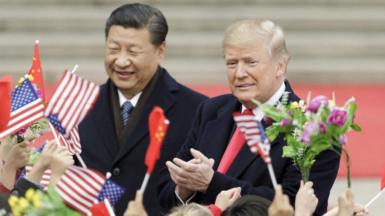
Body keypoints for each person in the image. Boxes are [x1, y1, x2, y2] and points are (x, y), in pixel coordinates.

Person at [158, 18, 340, 215]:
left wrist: (212, 182)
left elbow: (295, 206)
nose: (239, 73)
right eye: (231, 63)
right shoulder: (211, 110)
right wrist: (184, 190)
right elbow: (166, 195)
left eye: (250, 62)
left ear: (281, 65)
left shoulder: (314, 128)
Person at [78, 3, 207, 216]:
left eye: (133, 51)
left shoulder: (196, 110)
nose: (120, 61)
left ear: (160, 51)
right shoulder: (81, 104)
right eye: (113, 49)